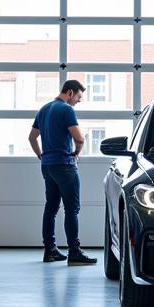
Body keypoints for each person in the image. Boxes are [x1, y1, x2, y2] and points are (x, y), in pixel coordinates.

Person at [29, 80, 96, 266]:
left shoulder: (44, 109)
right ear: (70, 92)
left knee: (51, 208)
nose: (78, 101)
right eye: (78, 97)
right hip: (65, 165)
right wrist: (77, 151)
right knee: (72, 209)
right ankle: (74, 252)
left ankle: (50, 250)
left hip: (48, 166)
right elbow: (79, 138)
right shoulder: (67, 110)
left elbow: (32, 137)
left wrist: (41, 156)